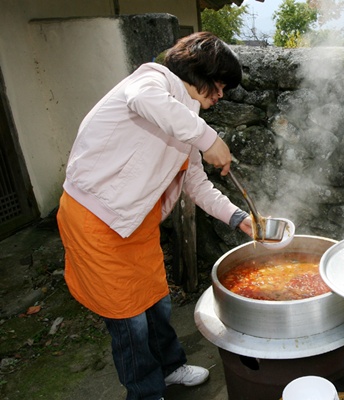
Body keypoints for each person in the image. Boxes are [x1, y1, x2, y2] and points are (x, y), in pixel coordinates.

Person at [56, 32, 253, 400]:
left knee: (156, 303)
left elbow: (196, 184)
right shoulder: (153, 80)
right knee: (129, 321)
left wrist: (237, 216)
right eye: (220, 84)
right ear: (199, 71)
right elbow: (144, 99)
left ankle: (170, 367)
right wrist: (210, 139)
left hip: (138, 224)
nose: (221, 94)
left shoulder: (186, 117)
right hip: (95, 222)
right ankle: (146, 392)